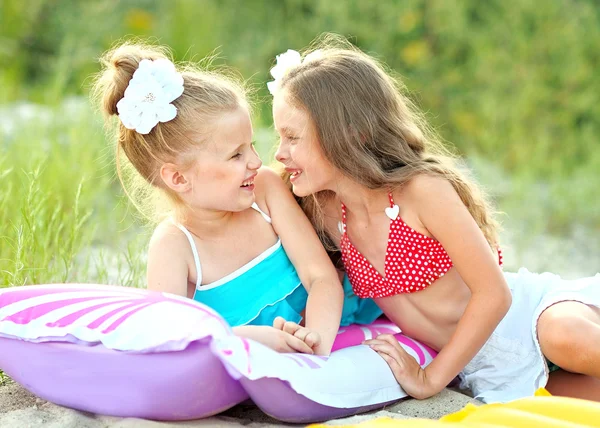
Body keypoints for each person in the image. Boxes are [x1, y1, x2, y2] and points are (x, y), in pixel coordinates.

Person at [268, 37, 600, 402]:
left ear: (350, 134)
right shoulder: (327, 210)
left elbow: (494, 294)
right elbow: (261, 198)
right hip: (480, 364)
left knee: (565, 338)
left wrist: (430, 379)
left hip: (526, 318)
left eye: (292, 137)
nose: (280, 152)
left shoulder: (421, 191)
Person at [92, 41, 348, 356]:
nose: (256, 161)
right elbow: (168, 340)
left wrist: (313, 346)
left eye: (251, 145)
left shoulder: (264, 190)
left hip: (327, 329)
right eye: (235, 155)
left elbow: (321, 277)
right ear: (179, 178)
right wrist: (246, 339)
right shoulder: (174, 246)